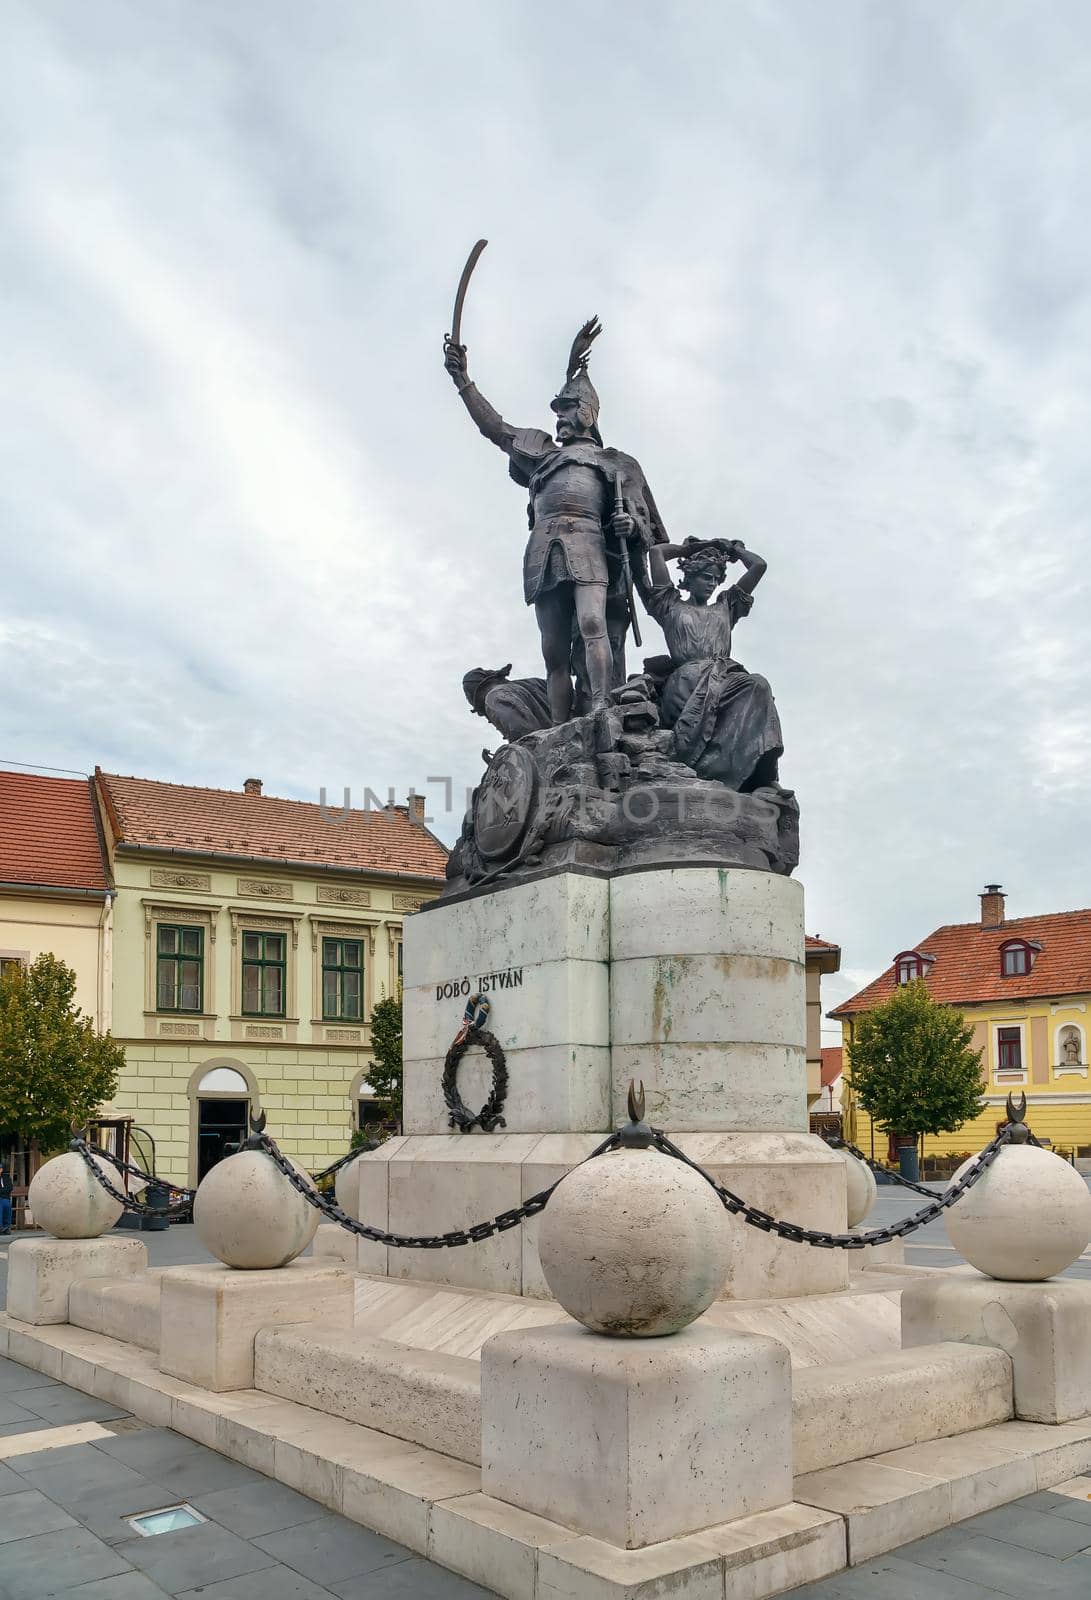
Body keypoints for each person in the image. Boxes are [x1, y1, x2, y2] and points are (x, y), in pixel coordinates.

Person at [444, 320, 667, 722]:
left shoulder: (613, 462)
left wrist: (628, 528)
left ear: (585, 414)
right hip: (544, 548)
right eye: (558, 411)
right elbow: (494, 429)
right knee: (553, 647)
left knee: (592, 621)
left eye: (566, 410)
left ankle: (601, 706)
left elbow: (644, 528)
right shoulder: (543, 454)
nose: (558, 418)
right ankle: (561, 727)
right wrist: (464, 381)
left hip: (589, 546)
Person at [642, 536, 783, 792]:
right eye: (706, 576)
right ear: (690, 576)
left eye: (716, 579)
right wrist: (690, 549)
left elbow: (758, 566)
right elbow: (656, 552)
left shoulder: (726, 607)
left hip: (722, 676)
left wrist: (734, 549)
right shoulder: (669, 604)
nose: (711, 583)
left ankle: (763, 775)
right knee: (754, 687)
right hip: (686, 682)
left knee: (759, 686)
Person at [0, 1162, 12, 1234]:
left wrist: (2, 1191)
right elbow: (6, 1189)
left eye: (0, 1168)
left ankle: (6, 1227)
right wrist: (4, 1191)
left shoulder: (6, 1177)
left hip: (5, 1197)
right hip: (2, 1197)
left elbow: (10, 1188)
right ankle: (1, 1227)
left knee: (6, 1205)